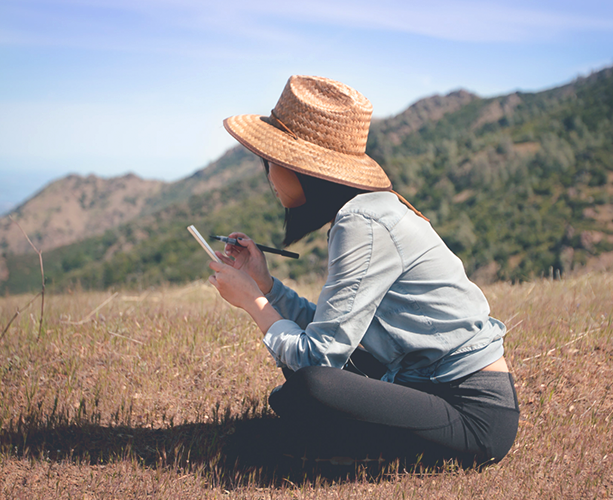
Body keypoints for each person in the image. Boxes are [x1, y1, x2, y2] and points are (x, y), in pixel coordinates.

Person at [207, 75, 519, 468]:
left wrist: (252, 302)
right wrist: (264, 285)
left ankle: (317, 448)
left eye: (270, 160)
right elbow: (330, 333)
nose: (267, 173)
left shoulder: (362, 222)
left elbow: (315, 359)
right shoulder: (364, 212)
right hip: (422, 382)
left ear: (299, 166)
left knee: (309, 386)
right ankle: (319, 444)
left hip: (473, 414)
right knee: (300, 391)